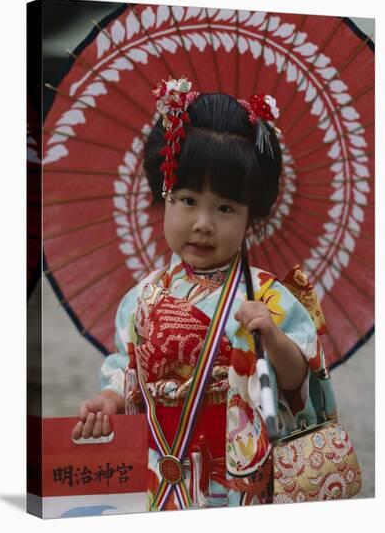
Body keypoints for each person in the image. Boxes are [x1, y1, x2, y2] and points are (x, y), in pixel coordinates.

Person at [71, 77, 335, 510]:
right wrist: (111, 398)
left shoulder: (268, 296)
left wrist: (272, 336)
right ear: (164, 196)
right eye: (188, 200)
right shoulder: (143, 296)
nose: (203, 223)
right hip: (163, 458)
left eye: (225, 208)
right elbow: (127, 365)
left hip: (238, 469)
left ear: (252, 216)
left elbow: (298, 385)